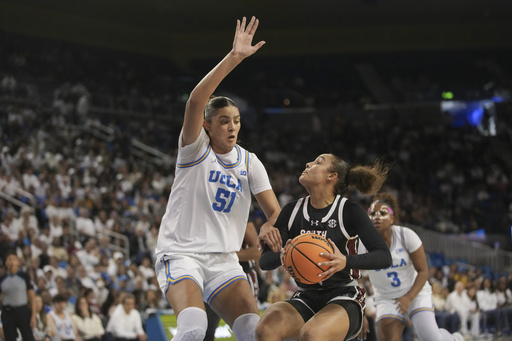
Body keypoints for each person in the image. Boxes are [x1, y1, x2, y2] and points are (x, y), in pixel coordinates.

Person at [154, 16, 280, 341]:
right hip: (182, 253)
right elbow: (197, 101)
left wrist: (270, 226)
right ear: (208, 126)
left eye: (236, 121)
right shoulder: (194, 150)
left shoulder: (250, 163)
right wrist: (234, 57)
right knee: (194, 328)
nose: (232, 127)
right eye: (224, 121)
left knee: (255, 331)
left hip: (224, 259)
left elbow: (275, 213)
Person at [255, 154, 393, 341]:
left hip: (344, 295)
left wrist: (346, 261)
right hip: (306, 295)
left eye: (318, 162)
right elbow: (264, 261)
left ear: (332, 176)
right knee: (266, 328)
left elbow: (384, 256)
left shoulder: (349, 211)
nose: (308, 163)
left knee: (312, 334)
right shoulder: (291, 211)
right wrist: (283, 255)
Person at [359, 193, 464, 341]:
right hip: (386, 298)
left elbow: (423, 271)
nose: (377, 216)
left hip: (415, 293)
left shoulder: (407, 236)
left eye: (383, 213)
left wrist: (408, 298)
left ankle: (455, 339)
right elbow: (354, 280)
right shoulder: (361, 244)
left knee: (431, 339)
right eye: (372, 213)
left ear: (392, 219)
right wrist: (360, 313)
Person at [203, 221, 261, 341]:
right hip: (215, 276)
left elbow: (258, 251)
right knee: (207, 330)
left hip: (243, 275)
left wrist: (229, 256)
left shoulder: (244, 222)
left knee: (249, 327)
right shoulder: (210, 221)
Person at [0, 252, 37, 341]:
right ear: (6, 263)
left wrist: (33, 316)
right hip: (7, 312)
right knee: (10, 338)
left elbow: (32, 297)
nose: (11, 262)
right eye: (9, 259)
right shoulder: (2, 279)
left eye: (14, 259)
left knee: (28, 337)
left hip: (22, 311)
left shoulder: (24, 276)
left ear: (18, 262)